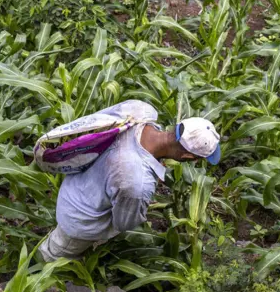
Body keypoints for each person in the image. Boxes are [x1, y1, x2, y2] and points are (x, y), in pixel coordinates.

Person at [38, 100, 221, 262]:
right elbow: (124, 223)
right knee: (53, 255)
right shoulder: (136, 183)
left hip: (78, 183)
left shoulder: (140, 110)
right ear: (187, 155)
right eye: (196, 159)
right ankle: (31, 276)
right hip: (79, 219)